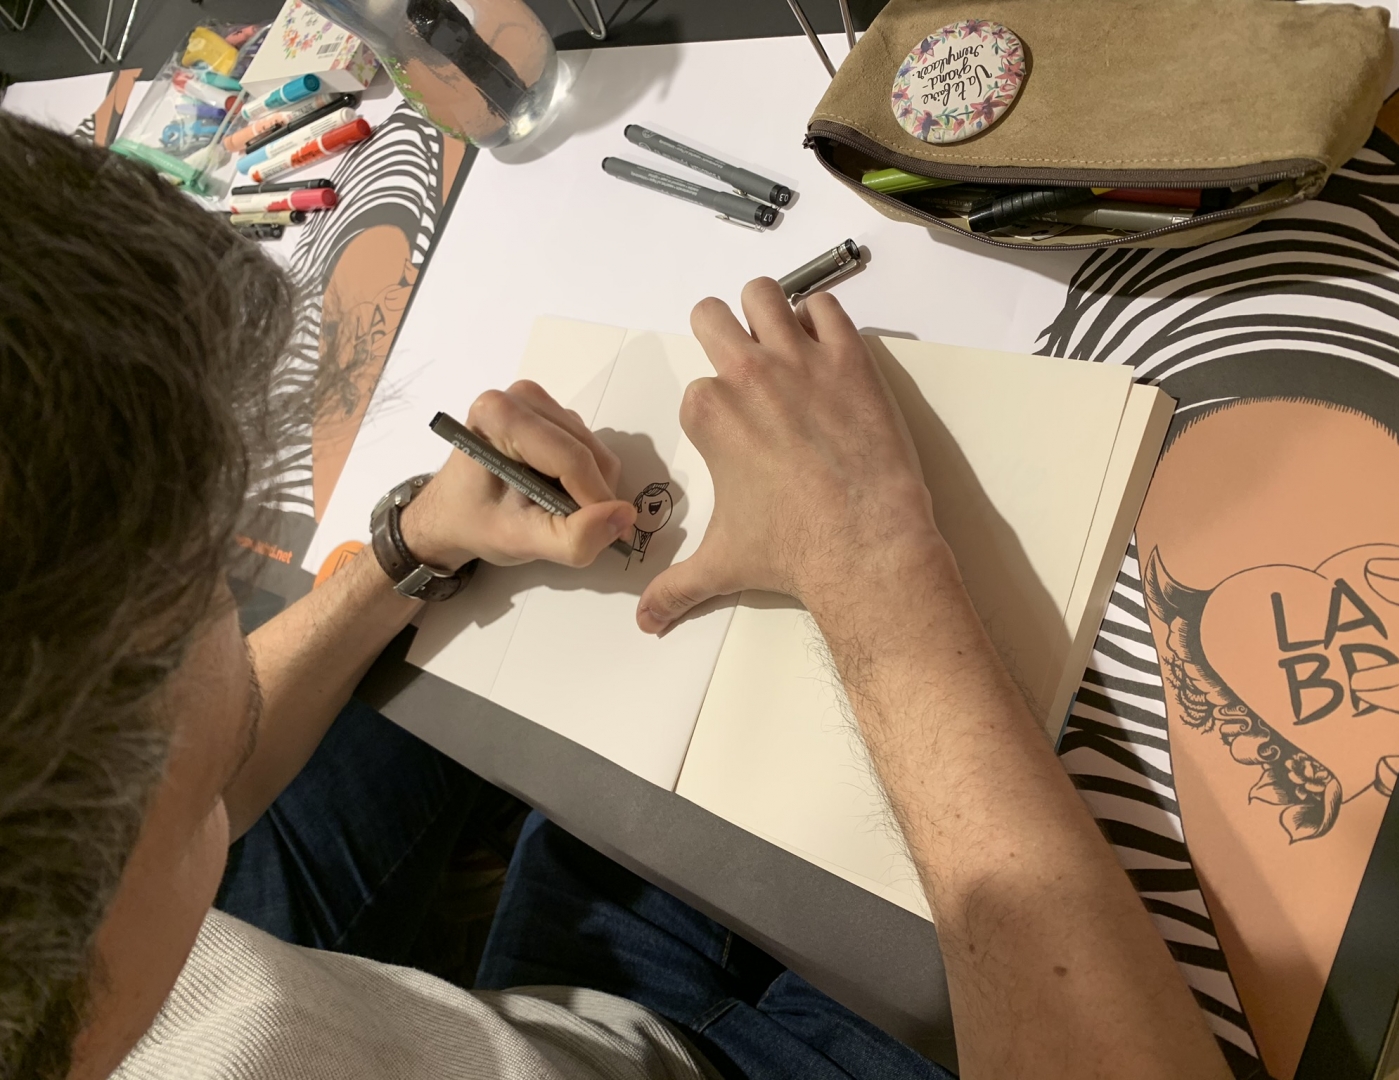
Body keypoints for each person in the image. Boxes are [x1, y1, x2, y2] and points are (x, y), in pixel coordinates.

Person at [0, 111, 1229, 1080]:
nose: (241, 603)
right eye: (199, 585)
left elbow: (199, 780)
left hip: (545, 1021)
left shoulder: (74, 901)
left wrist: (408, 549)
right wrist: (877, 562)